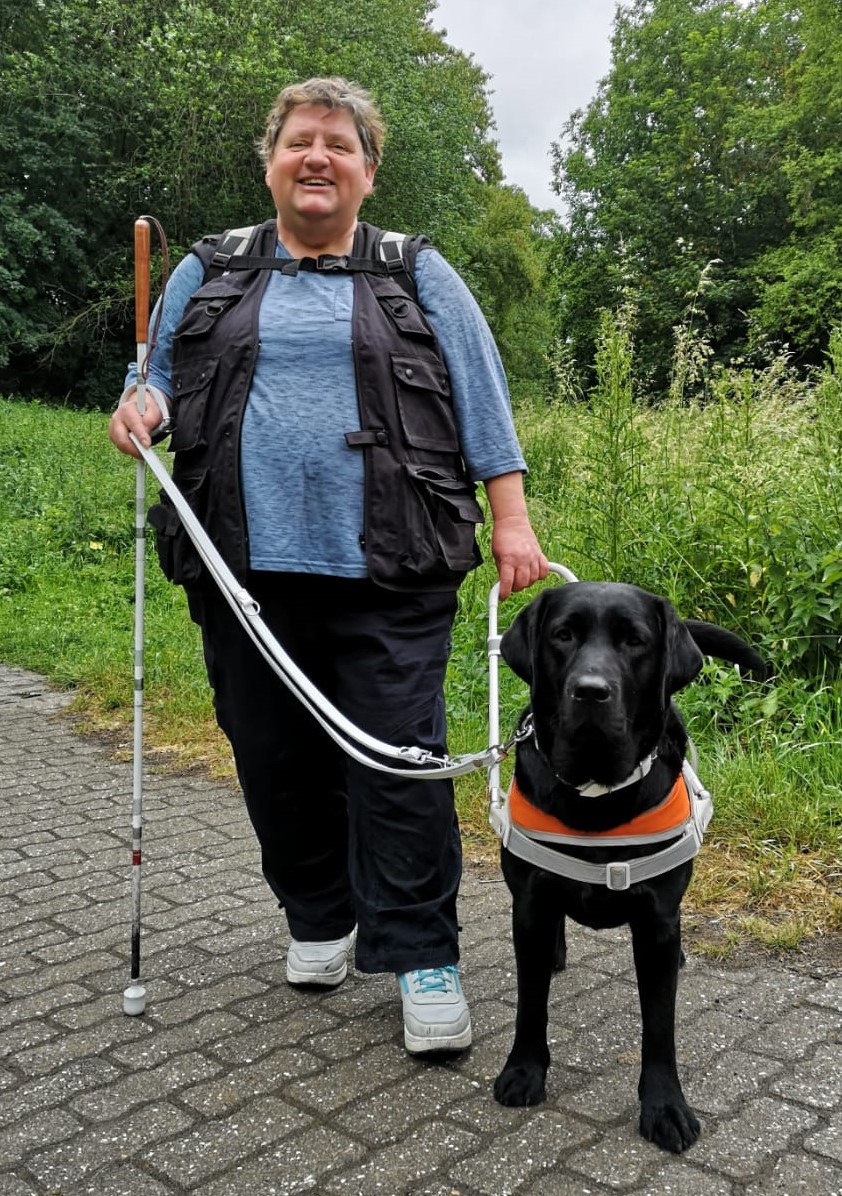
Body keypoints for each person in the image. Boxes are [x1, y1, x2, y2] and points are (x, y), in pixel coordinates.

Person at [109, 76, 547, 1056]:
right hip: (242, 572)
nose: (317, 156)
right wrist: (141, 410)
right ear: (269, 162)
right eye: (299, 140)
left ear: (366, 171)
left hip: (390, 568)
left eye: (337, 144)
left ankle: (422, 951)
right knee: (272, 759)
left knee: (396, 762)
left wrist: (509, 517)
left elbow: (482, 394)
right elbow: (159, 382)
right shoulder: (208, 270)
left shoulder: (414, 271)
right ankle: (316, 915)